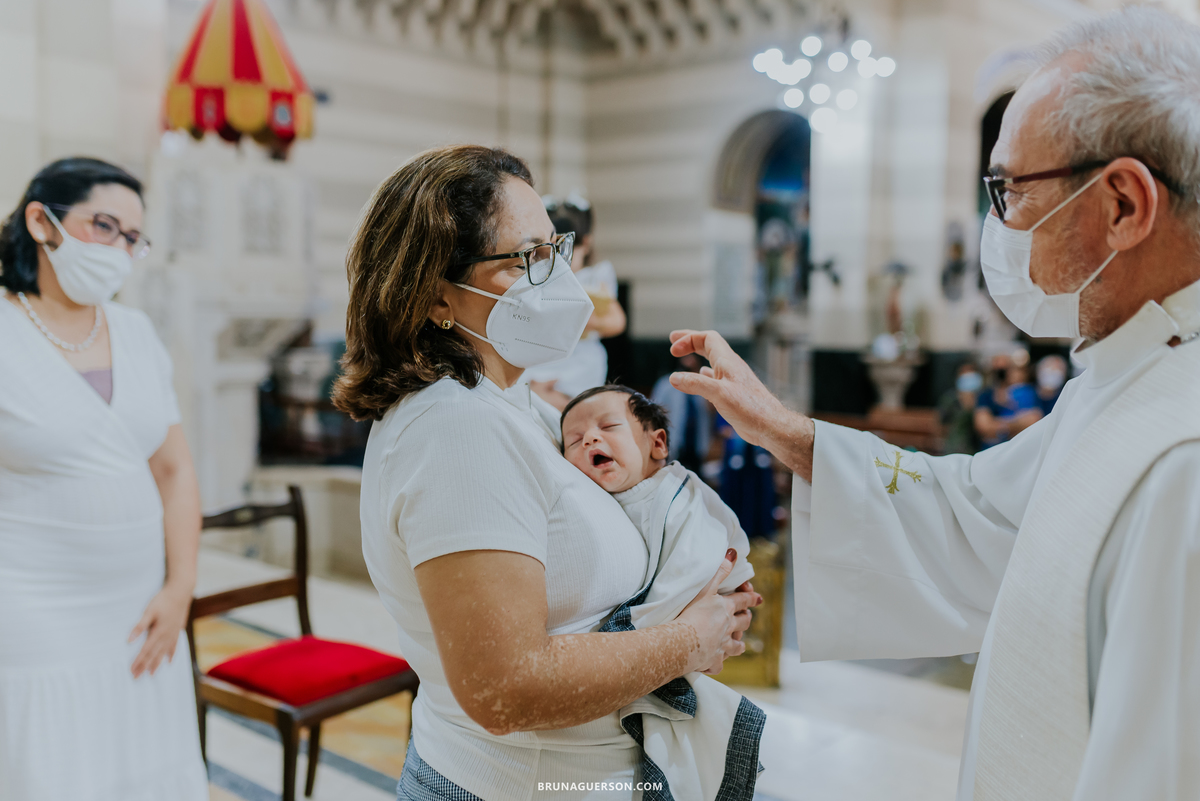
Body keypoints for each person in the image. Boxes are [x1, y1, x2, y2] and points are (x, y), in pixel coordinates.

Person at [665, 8, 1200, 799]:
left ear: (1122, 204)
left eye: (1010, 189)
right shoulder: (1124, 382)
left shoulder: (1181, 456)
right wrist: (792, 433)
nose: (998, 222)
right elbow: (977, 515)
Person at [333, 146, 760, 801]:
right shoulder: (457, 427)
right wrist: (688, 637)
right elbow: (508, 686)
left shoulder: (510, 398)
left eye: (555, 248)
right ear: (437, 293)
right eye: (527, 258)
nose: (559, 277)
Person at [0, 158, 207, 799]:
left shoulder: (137, 332)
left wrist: (180, 588)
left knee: (142, 763)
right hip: (30, 606)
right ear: (43, 222)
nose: (119, 249)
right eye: (106, 226)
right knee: (54, 768)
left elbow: (174, 472)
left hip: (141, 606)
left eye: (132, 238)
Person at [560, 385, 762, 799]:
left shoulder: (674, 494)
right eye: (574, 441)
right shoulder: (604, 500)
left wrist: (633, 632)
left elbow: (695, 564)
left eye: (608, 427)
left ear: (658, 444)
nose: (591, 440)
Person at [527, 193, 627, 410]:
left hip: (580, 360)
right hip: (543, 358)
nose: (561, 257)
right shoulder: (536, 276)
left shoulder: (593, 277)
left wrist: (578, 318)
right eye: (553, 247)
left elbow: (617, 321)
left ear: (586, 244)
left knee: (577, 407)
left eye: (570, 247)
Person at [651, 353, 712, 474]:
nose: (689, 360)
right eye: (685, 357)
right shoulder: (666, 384)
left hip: (696, 442)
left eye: (692, 357)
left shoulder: (703, 385)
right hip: (674, 441)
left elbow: (710, 413)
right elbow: (654, 411)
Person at [973, 351, 1042, 448]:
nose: (1001, 373)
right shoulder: (986, 395)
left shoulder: (1027, 392)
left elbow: (1034, 421)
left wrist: (998, 427)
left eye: (1005, 369)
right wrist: (1016, 425)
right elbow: (983, 426)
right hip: (992, 451)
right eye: (997, 370)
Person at [939, 362, 984, 455]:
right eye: (964, 372)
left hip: (981, 451)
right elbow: (942, 426)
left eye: (971, 371)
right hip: (956, 451)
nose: (968, 376)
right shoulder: (950, 399)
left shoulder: (985, 397)